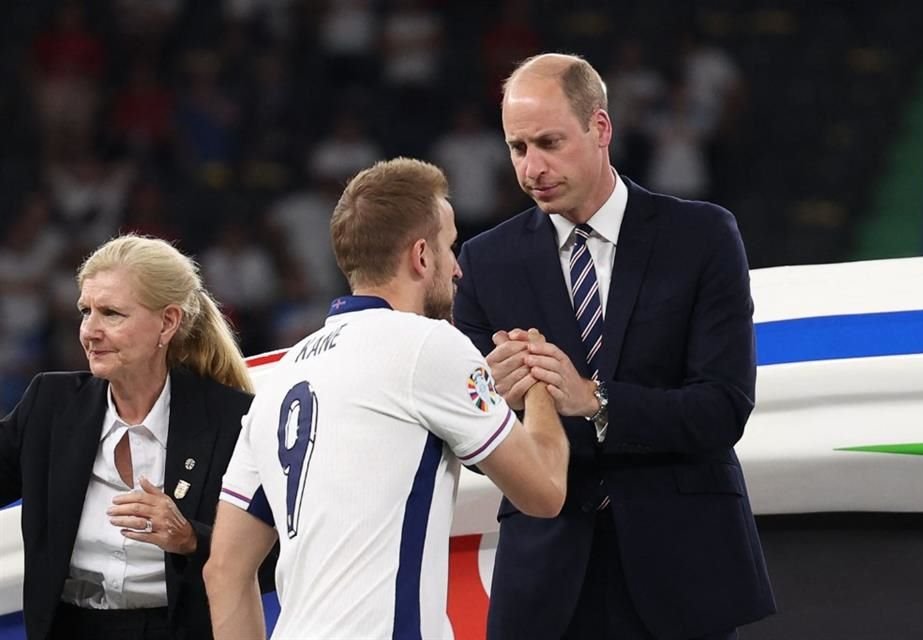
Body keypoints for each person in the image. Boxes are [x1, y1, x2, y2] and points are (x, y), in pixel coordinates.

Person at [453, 53, 776, 639]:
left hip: (681, 570)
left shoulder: (701, 236)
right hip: (546, 582)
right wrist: (489, 400)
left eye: (549, 142)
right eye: (518, 148)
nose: (532, 169)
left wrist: (596, 400)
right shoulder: (483, 262)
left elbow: (723, 407)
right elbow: (478, 440)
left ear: (600, 128)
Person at [203, 157, 569, 640]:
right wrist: (537, 377)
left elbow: (224, 571)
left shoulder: (283, 376)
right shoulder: (427, 344)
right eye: (450, 246)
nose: (457, 268)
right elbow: (544, 491)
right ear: (421, 255)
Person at [0, 234, 255, 640]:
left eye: (112, 314)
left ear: (168, 322)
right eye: (86, 311)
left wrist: (189, 537)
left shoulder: (231, 418)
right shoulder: (49, 403)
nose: (90, 331)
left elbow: (275, 555)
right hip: (70, 628)